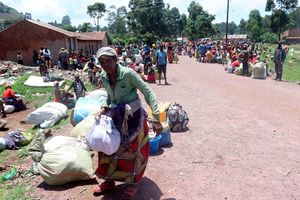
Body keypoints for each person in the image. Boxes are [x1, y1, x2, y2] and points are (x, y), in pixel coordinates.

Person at [94, 47, 162, 199]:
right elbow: (110, 97)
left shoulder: (128, 74)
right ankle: (109, 181)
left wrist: (156, 116)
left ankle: (134, 183)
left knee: (134, 151)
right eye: (101, 61)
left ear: (115, 60)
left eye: (108, 60)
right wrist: (105, 106)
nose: (105, 64)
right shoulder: (103, 76)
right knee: (107, 148)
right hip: (115, 116)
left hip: (134, 117)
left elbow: (147, 91)